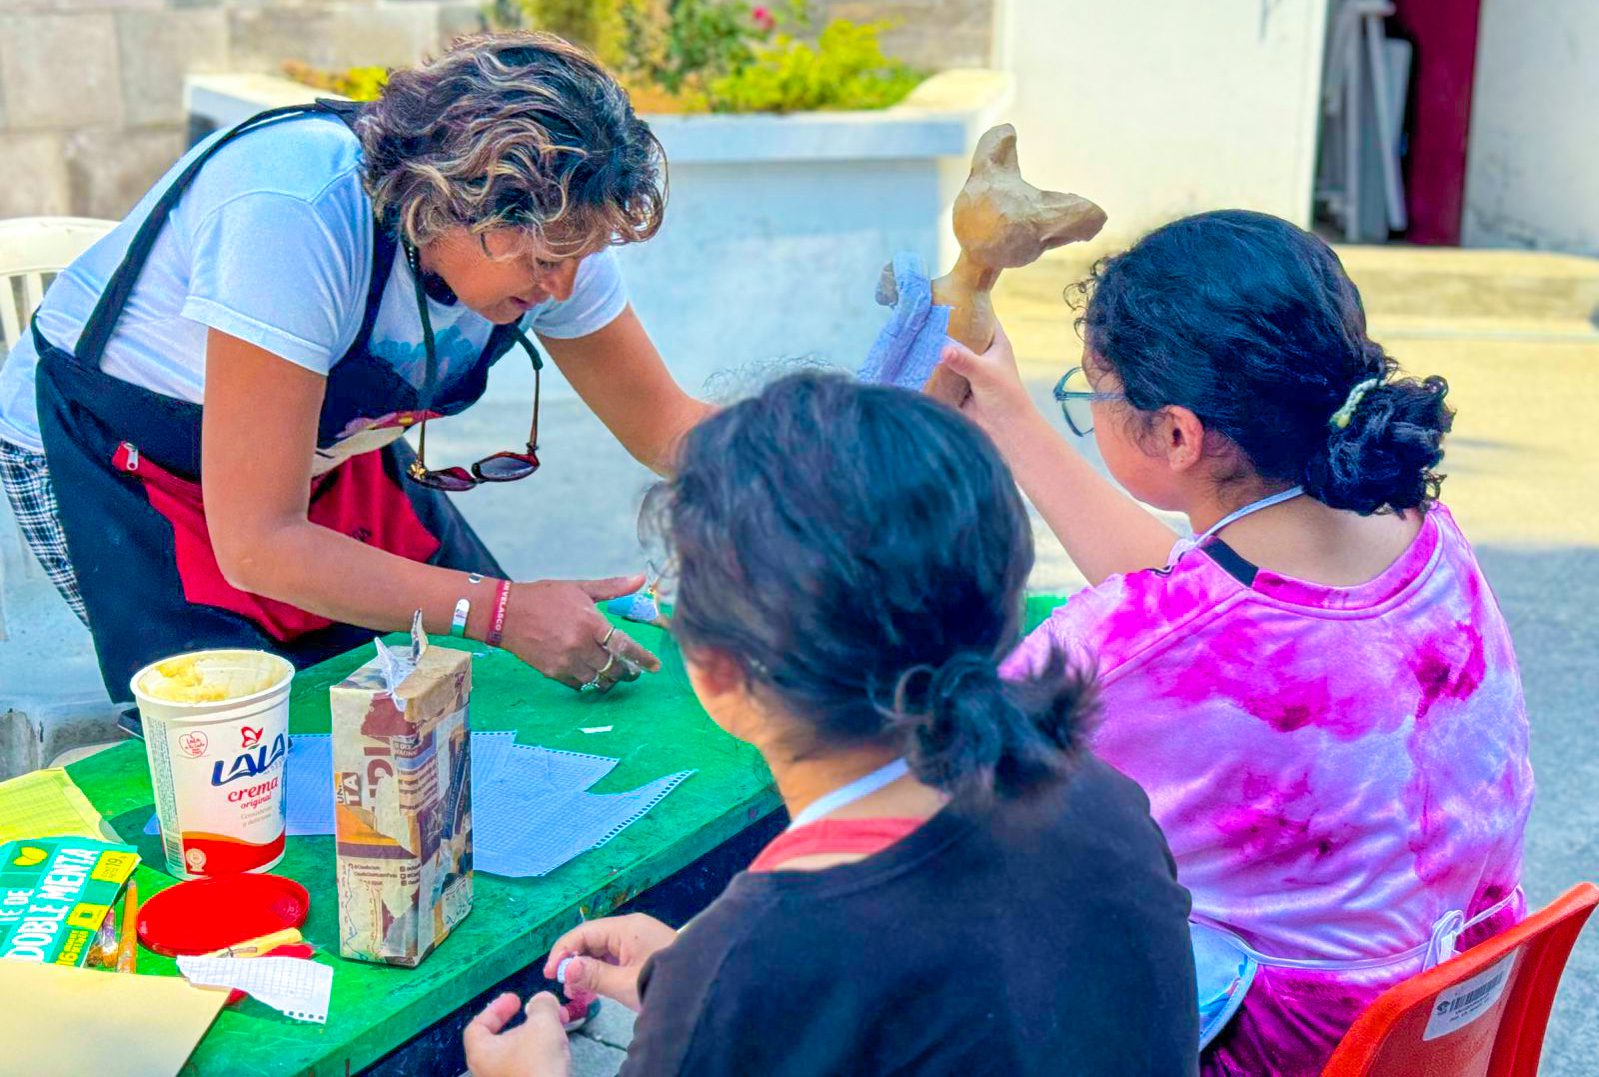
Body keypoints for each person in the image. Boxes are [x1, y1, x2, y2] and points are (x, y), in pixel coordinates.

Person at [462, 372, 1200, 1076]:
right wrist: (691, 974)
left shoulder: (749, 970)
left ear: (719, 671)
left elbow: (822, 985)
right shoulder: (1102, 800)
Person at [938, 210, 1534, 1074]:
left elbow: (933, 768)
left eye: (1090, 392)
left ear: (1176, 434)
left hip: (1280, 1048)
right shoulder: (1423, 534)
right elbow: (1209, 604)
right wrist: (1014, 422)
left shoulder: (1131, 647)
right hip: (1450, 1023)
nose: (1085, 406)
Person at [0, 32, 708, 701]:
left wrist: (804, 473)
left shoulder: (553, 225)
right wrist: (500, 610)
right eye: (544, 260)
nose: (560, 287)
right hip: (117, 455)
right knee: (242, 741)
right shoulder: (296, 211)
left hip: (317, 456)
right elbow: (259, 544)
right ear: (444, 200)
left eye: (579, 257)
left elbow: (667, 426)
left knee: (472, 690)